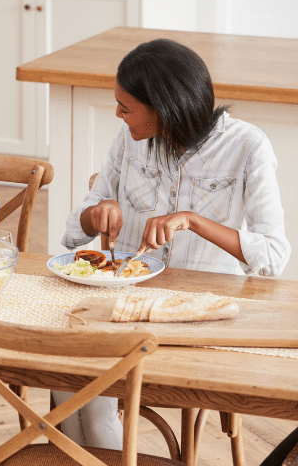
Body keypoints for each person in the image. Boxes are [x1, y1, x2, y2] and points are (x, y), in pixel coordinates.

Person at [58, 37, 290, 448]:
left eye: (125, 107)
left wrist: (194, 222)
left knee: (88, 378)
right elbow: (76, 228)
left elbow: (273, 257)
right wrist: (96, 213)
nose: (117, 114)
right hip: (127, 299)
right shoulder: (128, 138)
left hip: (199, 310)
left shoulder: (247, 146)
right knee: (64, 367)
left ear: (165, 108)